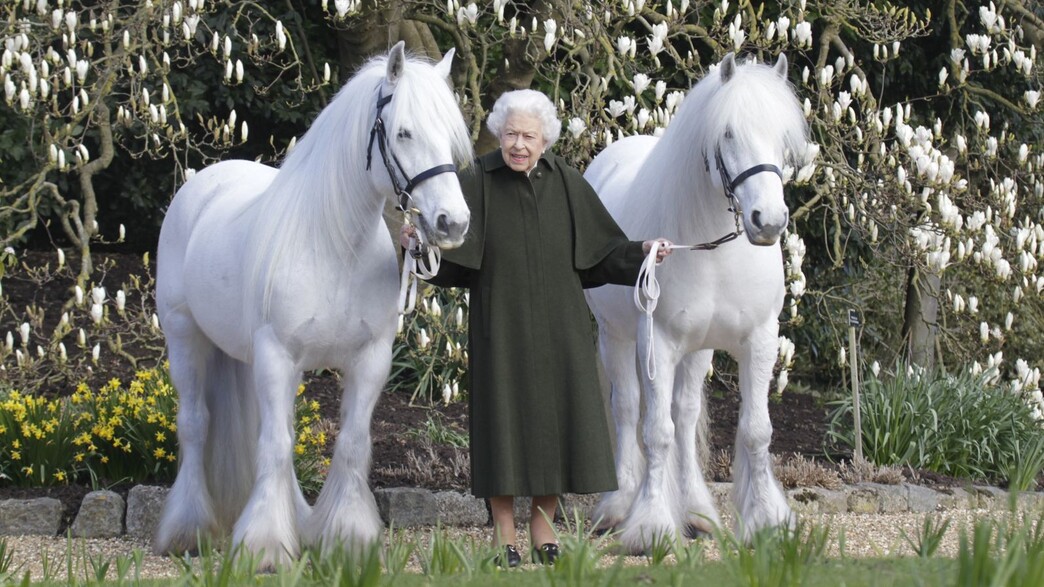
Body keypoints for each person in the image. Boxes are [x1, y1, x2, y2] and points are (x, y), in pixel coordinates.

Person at [401, 89, 671, 567]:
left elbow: (602, 253)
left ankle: (542, 523)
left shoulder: (567, 182)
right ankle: (504, 528)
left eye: (528, 135)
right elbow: (451, 261)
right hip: (498, 326)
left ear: (545, 138)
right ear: (498, 136)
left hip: (560, 328)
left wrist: (645, 250)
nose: (518, 145)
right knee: (501, 425)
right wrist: (417, 246)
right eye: (510, 135)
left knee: (556, 425)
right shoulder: (477, 181)